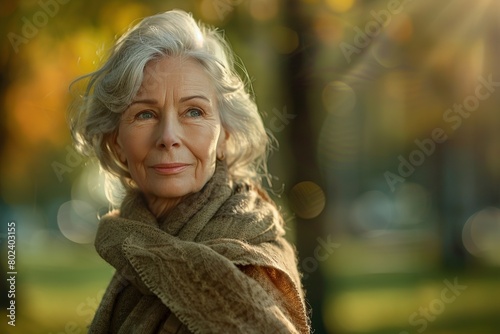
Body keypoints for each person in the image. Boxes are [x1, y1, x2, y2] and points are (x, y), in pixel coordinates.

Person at [70, 9, 310, 334]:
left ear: (225, 136)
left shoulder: (252, 256)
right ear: (116, 143)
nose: (168, 137)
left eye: (193, 111)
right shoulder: (131, 246)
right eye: (145, 114)